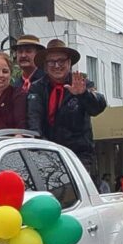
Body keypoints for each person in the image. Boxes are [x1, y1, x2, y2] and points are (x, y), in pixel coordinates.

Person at [26, 38, 106, 173]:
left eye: (61, 61)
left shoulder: (82, 84)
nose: (57, 66)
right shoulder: (36, 88)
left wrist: (83, 94)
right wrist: (46, 149)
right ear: (45, 65)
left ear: (69, 63)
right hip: (46, 155)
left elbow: (98, 107)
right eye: (51, 62)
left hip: (79, 157)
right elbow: (34, 121)